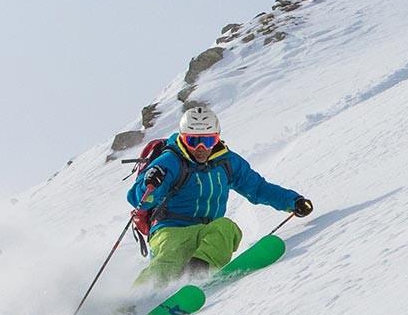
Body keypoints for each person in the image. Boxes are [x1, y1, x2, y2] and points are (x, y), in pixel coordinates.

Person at [128, 104, 312, 286]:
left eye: (208, 141)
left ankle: (197, 274)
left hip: (208, 230)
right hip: (170, 229)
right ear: (183, 139)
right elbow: (139, 201)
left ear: (217, 139)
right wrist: (150, 184)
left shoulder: (226, 162)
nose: (201, 148)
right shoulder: (170, 161)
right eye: (193, 141)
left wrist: (292, 201)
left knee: (226, 228)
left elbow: (258, 188)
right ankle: (132, 303)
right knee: (172, 255)